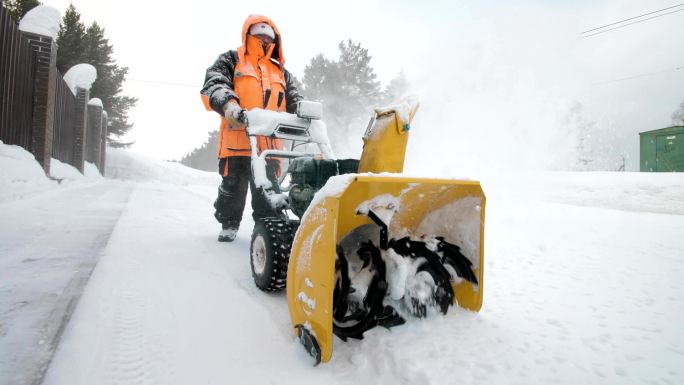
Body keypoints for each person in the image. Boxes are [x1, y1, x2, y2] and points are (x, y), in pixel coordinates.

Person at [201, 15, 303, 242]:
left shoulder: (281, 72)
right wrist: (229, 105)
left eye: (269, 37)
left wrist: (304, 113)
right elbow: (214, 83)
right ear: (248, 35)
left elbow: (295, 100)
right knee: (233, 190)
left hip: (270, 146)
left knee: (268, 195)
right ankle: (229, 224)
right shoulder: (232, 60)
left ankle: (266, 234)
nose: (264, 41)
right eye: (259, 36)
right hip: (238, 140)